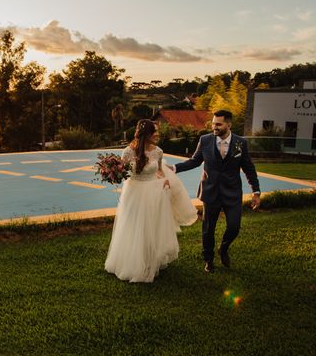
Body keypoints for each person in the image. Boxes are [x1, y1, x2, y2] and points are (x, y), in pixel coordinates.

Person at [105, 119, 198, 283]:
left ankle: (149, 262)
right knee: (135, 227)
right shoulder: (128, 152)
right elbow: (123, 172)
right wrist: (113, 173)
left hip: (155, 192)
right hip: (135, 193)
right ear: (145, 134)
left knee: (151, 228)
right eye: (153, 131)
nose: (157, 134)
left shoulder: (158, 152)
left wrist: (165, 180)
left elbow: (160, 171)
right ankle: (133, 263)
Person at [171, 109, 260, 273]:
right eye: (213, 124)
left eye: (218, 124)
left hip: (232, 192)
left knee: (234, 227)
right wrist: (174, 168)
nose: (214, 127)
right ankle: (208, 259)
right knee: (208, 228)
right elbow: (194, 161)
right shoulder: (205, 140)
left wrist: (256, 192)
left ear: (229, 124)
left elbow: (249, 168)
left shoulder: (240, 143)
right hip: (210, 192)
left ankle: (223, 248)